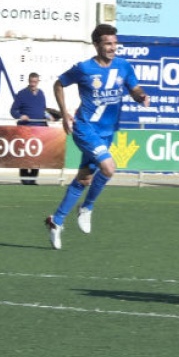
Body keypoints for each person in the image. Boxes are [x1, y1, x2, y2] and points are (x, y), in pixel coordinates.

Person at [44, 23, 151, 249]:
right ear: (96, 45)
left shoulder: (123, 66)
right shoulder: (84, 69)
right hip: (85, 128)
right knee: (109, 168)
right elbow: (59, 84)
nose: (113, 48)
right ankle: (87, 207)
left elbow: (135, 89)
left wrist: (141, 97)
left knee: (84, 178)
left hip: (107, 131)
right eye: (108, 44)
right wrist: (64, 114)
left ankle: (57, 220)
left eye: (115, 43)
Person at [9, 72, 59, 185]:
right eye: (31, 82)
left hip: (39, 129)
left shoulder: (41, 94)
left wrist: (49, 117)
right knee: (25, 154)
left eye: (35, 82)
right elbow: (13, 110)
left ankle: (33, 179)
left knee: (37, 156)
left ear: (38, 82)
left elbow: (42, 110)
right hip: (25, 130)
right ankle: (25, 179)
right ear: (28, 81)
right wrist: (20, 116)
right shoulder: (22, 94)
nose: (33, 84)